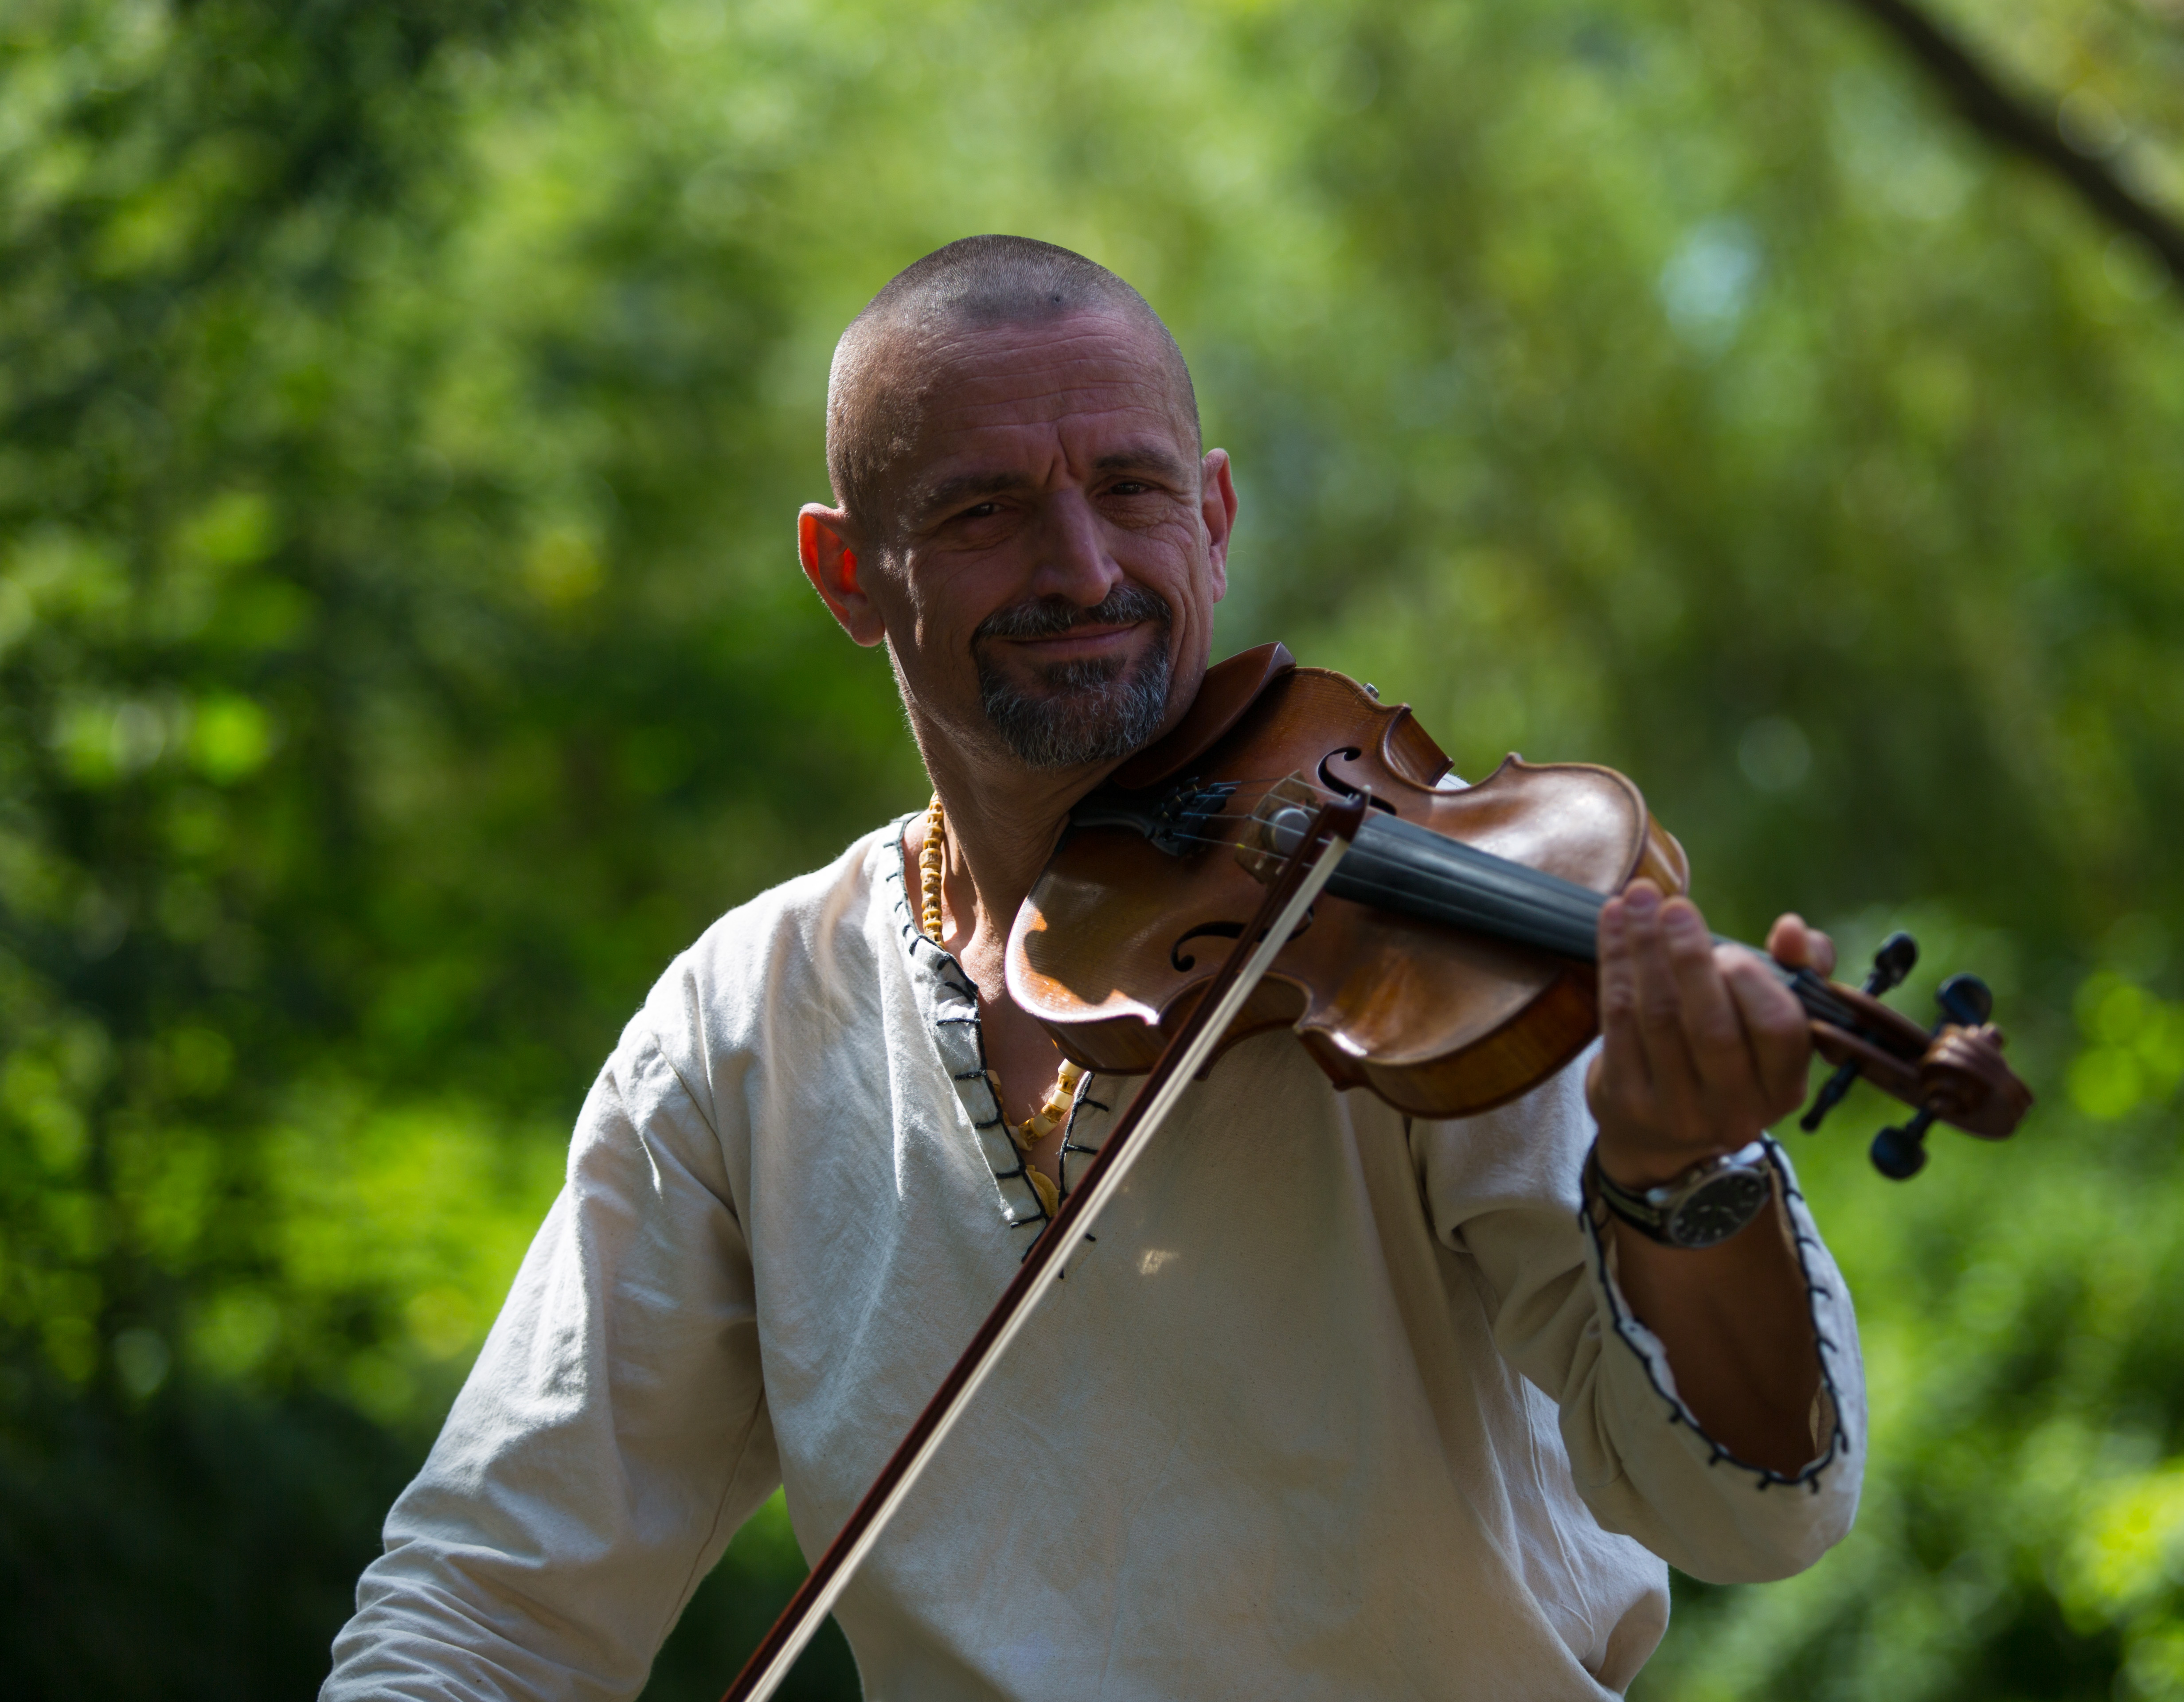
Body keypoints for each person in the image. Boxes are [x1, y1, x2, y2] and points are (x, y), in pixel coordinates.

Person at [322, 235, 1866, 1701]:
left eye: (1131, 491)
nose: (1080, 568)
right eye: (984, 512)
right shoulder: (750, 1022)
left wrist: (1683, 1181)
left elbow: (1758, 1515)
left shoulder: (1421, 957)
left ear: (1215, 516)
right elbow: (492, 1595)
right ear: (847, 573)